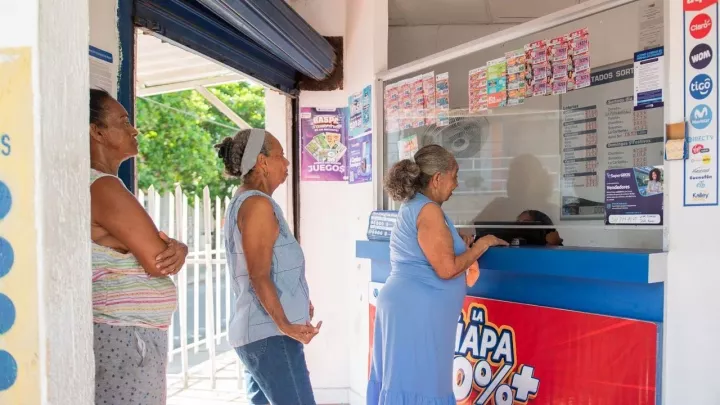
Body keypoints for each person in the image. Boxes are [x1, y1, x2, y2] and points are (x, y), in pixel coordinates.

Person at [367, 145, 507, 405]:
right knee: (423, 385)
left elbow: (435, 253)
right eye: (455, 175)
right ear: (437, 178)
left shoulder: (418, 207)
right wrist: (482, 245)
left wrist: (460, 244)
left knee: (409, 383)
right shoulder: (428, 210)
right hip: (416, 313)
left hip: (411, 309)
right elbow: (447, 269)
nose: (457, 184)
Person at [89, 88, 188, 405]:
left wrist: (175, 247)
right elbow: (158, 259)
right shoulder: (103, 186)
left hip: (126, 334)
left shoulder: (100, 184)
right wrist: (175, 248)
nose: (134, 130)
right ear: (97, 132)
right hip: (124, 336)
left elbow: (154, 248)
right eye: (123, 121)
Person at [217, 128, 322, 405]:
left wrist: (298, 301)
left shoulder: (249, 200)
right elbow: (258, 275)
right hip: (270, 335)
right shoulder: (256, 205)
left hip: (263, 334)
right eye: (280, 155)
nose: (286, 162)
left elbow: (271, 269)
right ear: (262, 162)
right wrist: (285, 325)